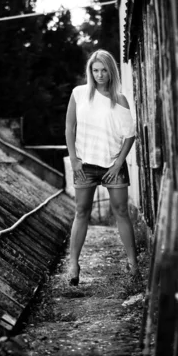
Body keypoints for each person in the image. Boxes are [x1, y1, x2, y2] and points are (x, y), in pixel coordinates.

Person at [65, 49, 139, 286]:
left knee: (121, 211)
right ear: (90, 71)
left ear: (111, 70)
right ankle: (73, 265)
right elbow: (69, 128)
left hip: (113, 165)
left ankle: (133, 263)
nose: (99, 74)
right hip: (85, 164)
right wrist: (74, 158)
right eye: (95, 70)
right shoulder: (78, 94)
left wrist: (119, 163)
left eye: (103, 69)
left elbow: (130, 134)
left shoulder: (120, 100)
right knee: (81, 212)